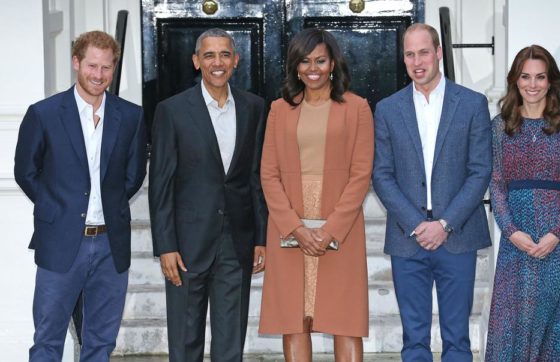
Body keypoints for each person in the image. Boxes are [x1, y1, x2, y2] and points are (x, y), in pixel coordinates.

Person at [14, 30, 147, 361]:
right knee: (47, 340)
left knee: (100, 343)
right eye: (92, 66)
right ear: (76, 63)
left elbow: (133, 175)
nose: (98, 75)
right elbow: (26, 171)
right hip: (60, 242)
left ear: (113, 69)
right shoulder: (43, 113)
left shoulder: (130, 116)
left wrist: (110, 205)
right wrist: (55, 208)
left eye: (106, 68)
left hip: (109, 245)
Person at [372, 23, 492, 361]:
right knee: (414, 341)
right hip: (406, 237)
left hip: (457, 235)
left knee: (457, 341)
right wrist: (415, 223)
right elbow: (381, 174)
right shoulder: (387, 109)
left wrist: (445, 223)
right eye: (409, 54)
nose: (417, 61)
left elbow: (480, 170)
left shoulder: (471, 104)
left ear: (439, 53)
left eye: (424, 52)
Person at [149, 28, 267, 361]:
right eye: (210, 55)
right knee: (186, 342)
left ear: (236, 60)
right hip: (187, 244)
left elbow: (254, 178)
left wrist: (261, 237)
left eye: (225, 54)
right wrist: (166, 246)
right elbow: (160, 184)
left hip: (237, 242)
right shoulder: (171, 111)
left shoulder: (254, 107)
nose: (218, 62)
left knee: (231, 342)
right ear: (196, 61)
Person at [258, 28, 374, 361]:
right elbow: (268, 174)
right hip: (289, 222)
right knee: (293, 320)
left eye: (320, 60)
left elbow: (360, 174)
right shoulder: (279, 109)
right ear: (295, 67)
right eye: (305, 61)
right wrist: (295, 228)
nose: (313, 68)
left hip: (342, 223)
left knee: (346, 319)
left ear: (333, 64)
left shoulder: (357, 108)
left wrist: (330, 230)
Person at [485, 45, 560, 361]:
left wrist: (556, 233)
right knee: (509, 328)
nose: (532, 84)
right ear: (515, 80)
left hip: (559, 246)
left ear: (550, 80)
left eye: (540, 77)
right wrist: (511, 231)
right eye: (525, 76)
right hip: (516, 243)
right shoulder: (500, 126)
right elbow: (497, 184)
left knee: (551, 332)